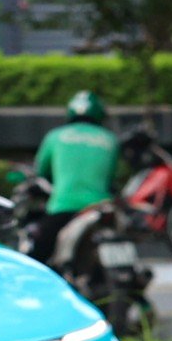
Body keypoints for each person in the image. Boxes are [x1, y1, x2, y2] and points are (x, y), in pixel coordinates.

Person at [29, 89, 121, 264]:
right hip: (102, 209)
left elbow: (40, 172)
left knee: (38, 259)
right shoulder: (110, 139)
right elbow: (112, 178)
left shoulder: (55, 136)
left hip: (64, 206)